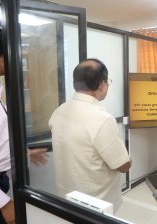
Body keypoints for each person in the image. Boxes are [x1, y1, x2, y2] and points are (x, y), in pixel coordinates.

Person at [49, 58, 131, 213]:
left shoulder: (60, 110)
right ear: (102, 84)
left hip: (66, 197)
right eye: (108, 82)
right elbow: (123, 166)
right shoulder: (102, 119)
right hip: (96, 203)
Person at [0, 27, 48, 224]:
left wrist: (25, 155)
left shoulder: (0, 91)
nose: (14, 61)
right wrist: (3, 203)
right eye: (8, 54)